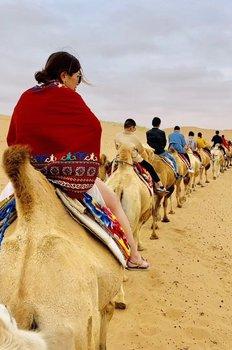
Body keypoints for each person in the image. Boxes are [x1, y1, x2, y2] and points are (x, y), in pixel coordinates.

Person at [4, 51, 149, 270]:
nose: (78, 83)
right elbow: (93, 128)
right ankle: (134, 257)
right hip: (67, 177)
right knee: (114, 203)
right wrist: (70, 160)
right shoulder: (68, 96)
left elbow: (13, 137)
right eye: (77, 77)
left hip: (30, 174)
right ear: (64, 75)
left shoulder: (26, 96)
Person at [115, 119, 168, 194]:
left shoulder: (117, 135)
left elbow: (117, 147)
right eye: (134, 128)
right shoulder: (134, 138)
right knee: (150, 167)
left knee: (109, 168)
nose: (134, 130)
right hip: (134, 159)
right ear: (131, 128)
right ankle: (160, 186)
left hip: (119, 158)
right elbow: (141, 151)